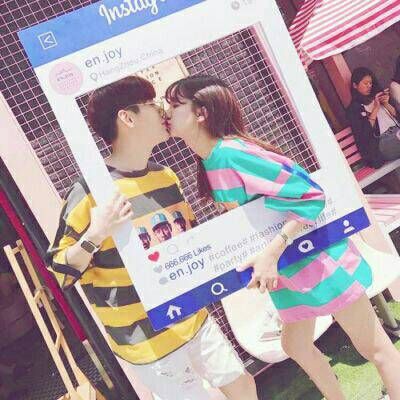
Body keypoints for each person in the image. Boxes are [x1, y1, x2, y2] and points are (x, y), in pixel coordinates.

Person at [165, 74, 400, 400]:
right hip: (291, 273)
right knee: (295, 345)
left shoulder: (231, 153)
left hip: (319, 262)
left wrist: (271, 252)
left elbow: (310, 195)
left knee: (374, 347)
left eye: (174, 105)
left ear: (201, 113)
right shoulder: (212, 161)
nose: (167, 112)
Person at [48, 76, 258, 400]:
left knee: (242, 384)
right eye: (150, 104)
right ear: (127, 117)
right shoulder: (89, 192)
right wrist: (96, 233)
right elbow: (59, 273)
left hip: (192, 316)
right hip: (144, 340)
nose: (162, 110)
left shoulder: (165, 176)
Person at [347, 67, 400, 168]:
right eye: (365, 83)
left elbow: (397, 117)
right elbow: (364, 134)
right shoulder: (354, 109)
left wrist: (386, 104)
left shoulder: (378, 96)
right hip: (381, 144)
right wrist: (375, 108)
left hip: (396, 133)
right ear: (355, 85)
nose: (369, 86)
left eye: (370, 83)